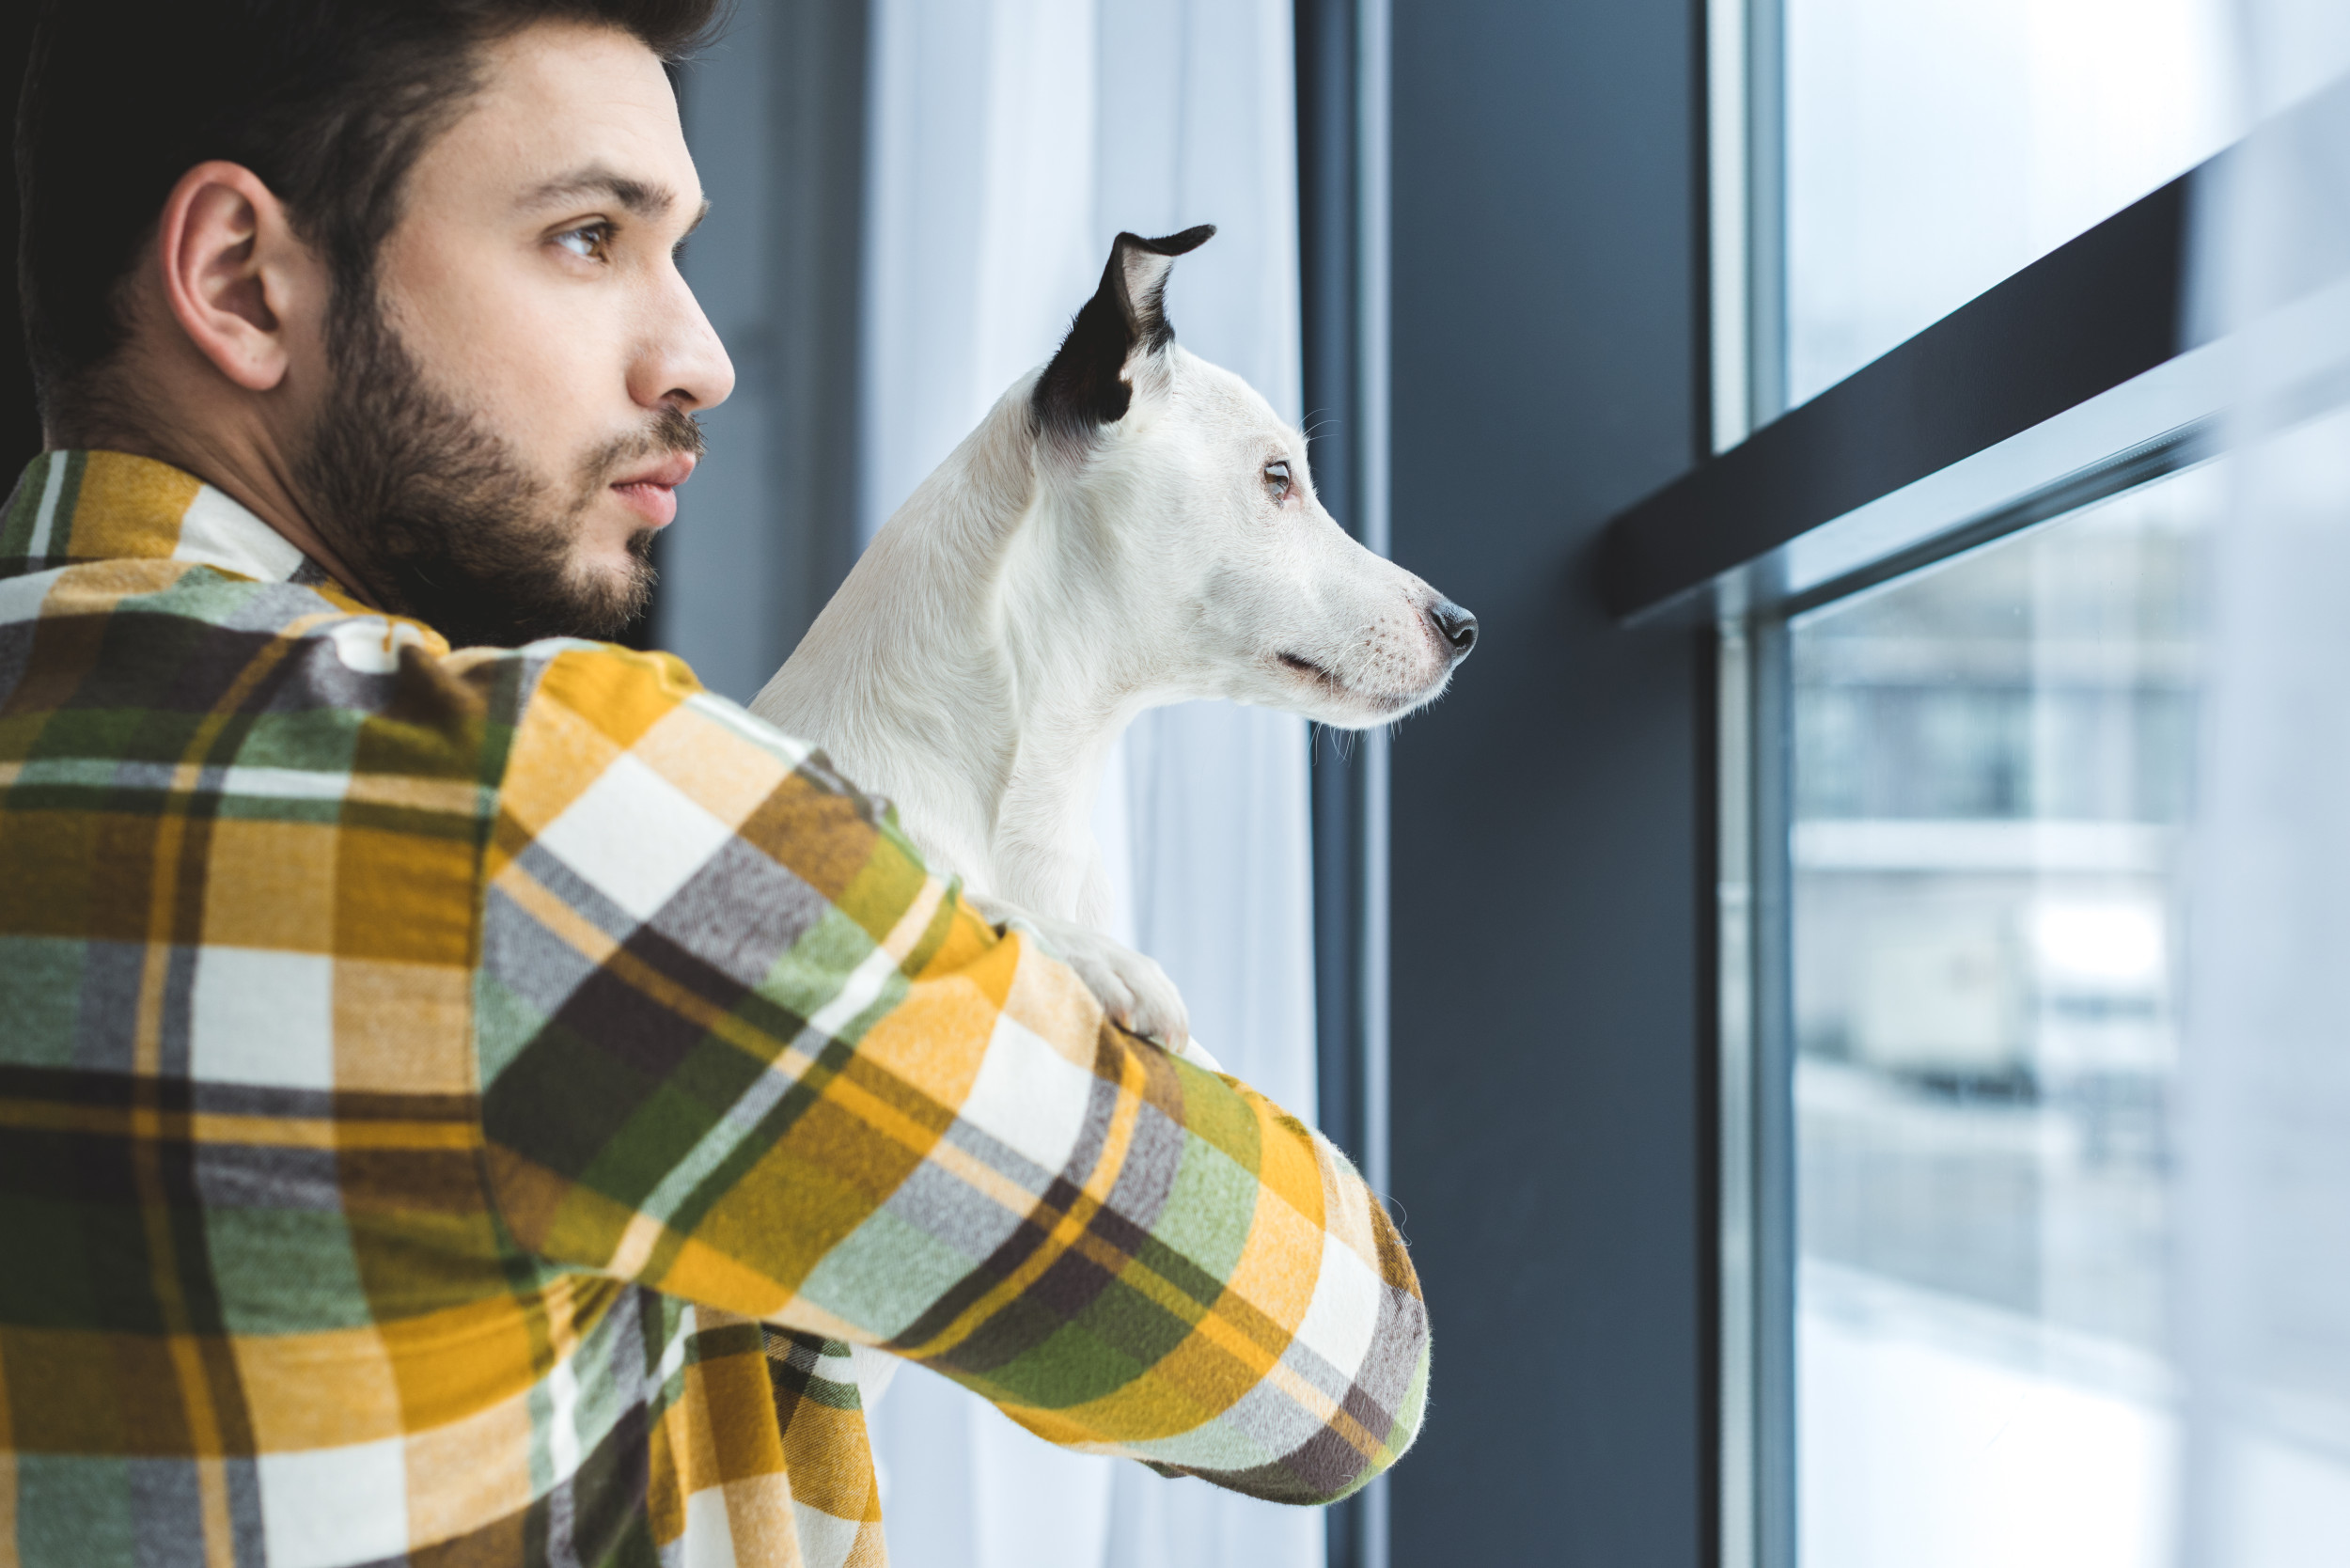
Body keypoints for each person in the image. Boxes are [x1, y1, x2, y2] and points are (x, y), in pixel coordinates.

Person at [0, 3, 1430, 1565]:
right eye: (587, 235)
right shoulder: (538, 812)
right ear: (237, 282)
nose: (705, 359)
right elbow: (1337, 1368)